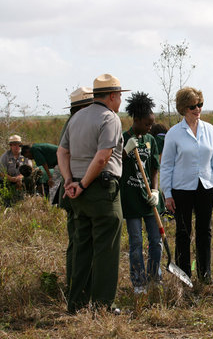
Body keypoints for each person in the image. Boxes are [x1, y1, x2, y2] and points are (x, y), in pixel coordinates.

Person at [57, 74, 128, 314]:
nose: (120, 101)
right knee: (106, 249)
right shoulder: (110, 118)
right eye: (119, 96)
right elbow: (102, 157)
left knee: (82, 247)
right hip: (100, 189)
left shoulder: (76, 118)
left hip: (78, 191)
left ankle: (76, 302)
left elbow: (62, 152)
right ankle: (103, 305)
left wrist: (69, 180)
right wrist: (85, 184)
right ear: (111, 96)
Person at [160, 87, 213, 284]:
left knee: (205, 232)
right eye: (192, 106)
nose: (197, 109)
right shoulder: (174, 133)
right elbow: (166, 165)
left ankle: (205, 276)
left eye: (200, 104)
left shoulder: (210, 129)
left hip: (206, 186)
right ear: (183, 108)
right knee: (183, 232)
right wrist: (167, 194)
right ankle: (183, 276)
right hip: (181, 189)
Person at [120, 91, 162, 294]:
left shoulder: (150, 140)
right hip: (131, 200)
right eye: (147, 124)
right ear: (136, 120)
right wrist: (125, 151)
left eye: (152, 124)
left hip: (149, 200)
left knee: (156, 240)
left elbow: (154, 167)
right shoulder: (122, 139)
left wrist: (155, 190)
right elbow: (113, 164)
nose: (150, 127)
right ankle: (139, 282)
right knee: (136, 242)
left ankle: (156, 277)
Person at [58, 87, 94, 293]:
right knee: (78, 240)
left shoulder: (73, 123)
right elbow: (65, 155)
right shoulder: (76, 124)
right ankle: (75, 286)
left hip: (74, 188)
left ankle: (76, 284)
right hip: (74, 190)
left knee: (78, 239)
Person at [0, 135, 33, 206]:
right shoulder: (5, 156)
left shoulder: (26, 155)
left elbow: (30, 169)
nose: (16, 147)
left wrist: (19, 178)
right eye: (14, 145)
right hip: (9, 179)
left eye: (19, 145)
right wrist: (11, 179)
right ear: (10, 146)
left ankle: (29, 197)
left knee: (30, 178)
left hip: (22, 179)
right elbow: (1, 172)